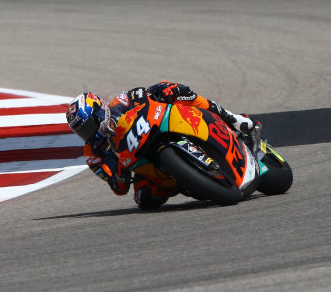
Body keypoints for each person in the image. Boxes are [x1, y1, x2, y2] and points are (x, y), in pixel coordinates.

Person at [65, 81, 261, 210]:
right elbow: (119, 188)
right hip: (142, 162)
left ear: (100, 113)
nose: (87, 134)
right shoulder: (94, 155)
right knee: (144, 200)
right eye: (81, 131)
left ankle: (234, 120)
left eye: (88, 126)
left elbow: (145, 94)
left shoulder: (120, 102)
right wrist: (120, 174)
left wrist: (161, 92)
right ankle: (191, 180)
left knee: (177, 91)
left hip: (159, 128)